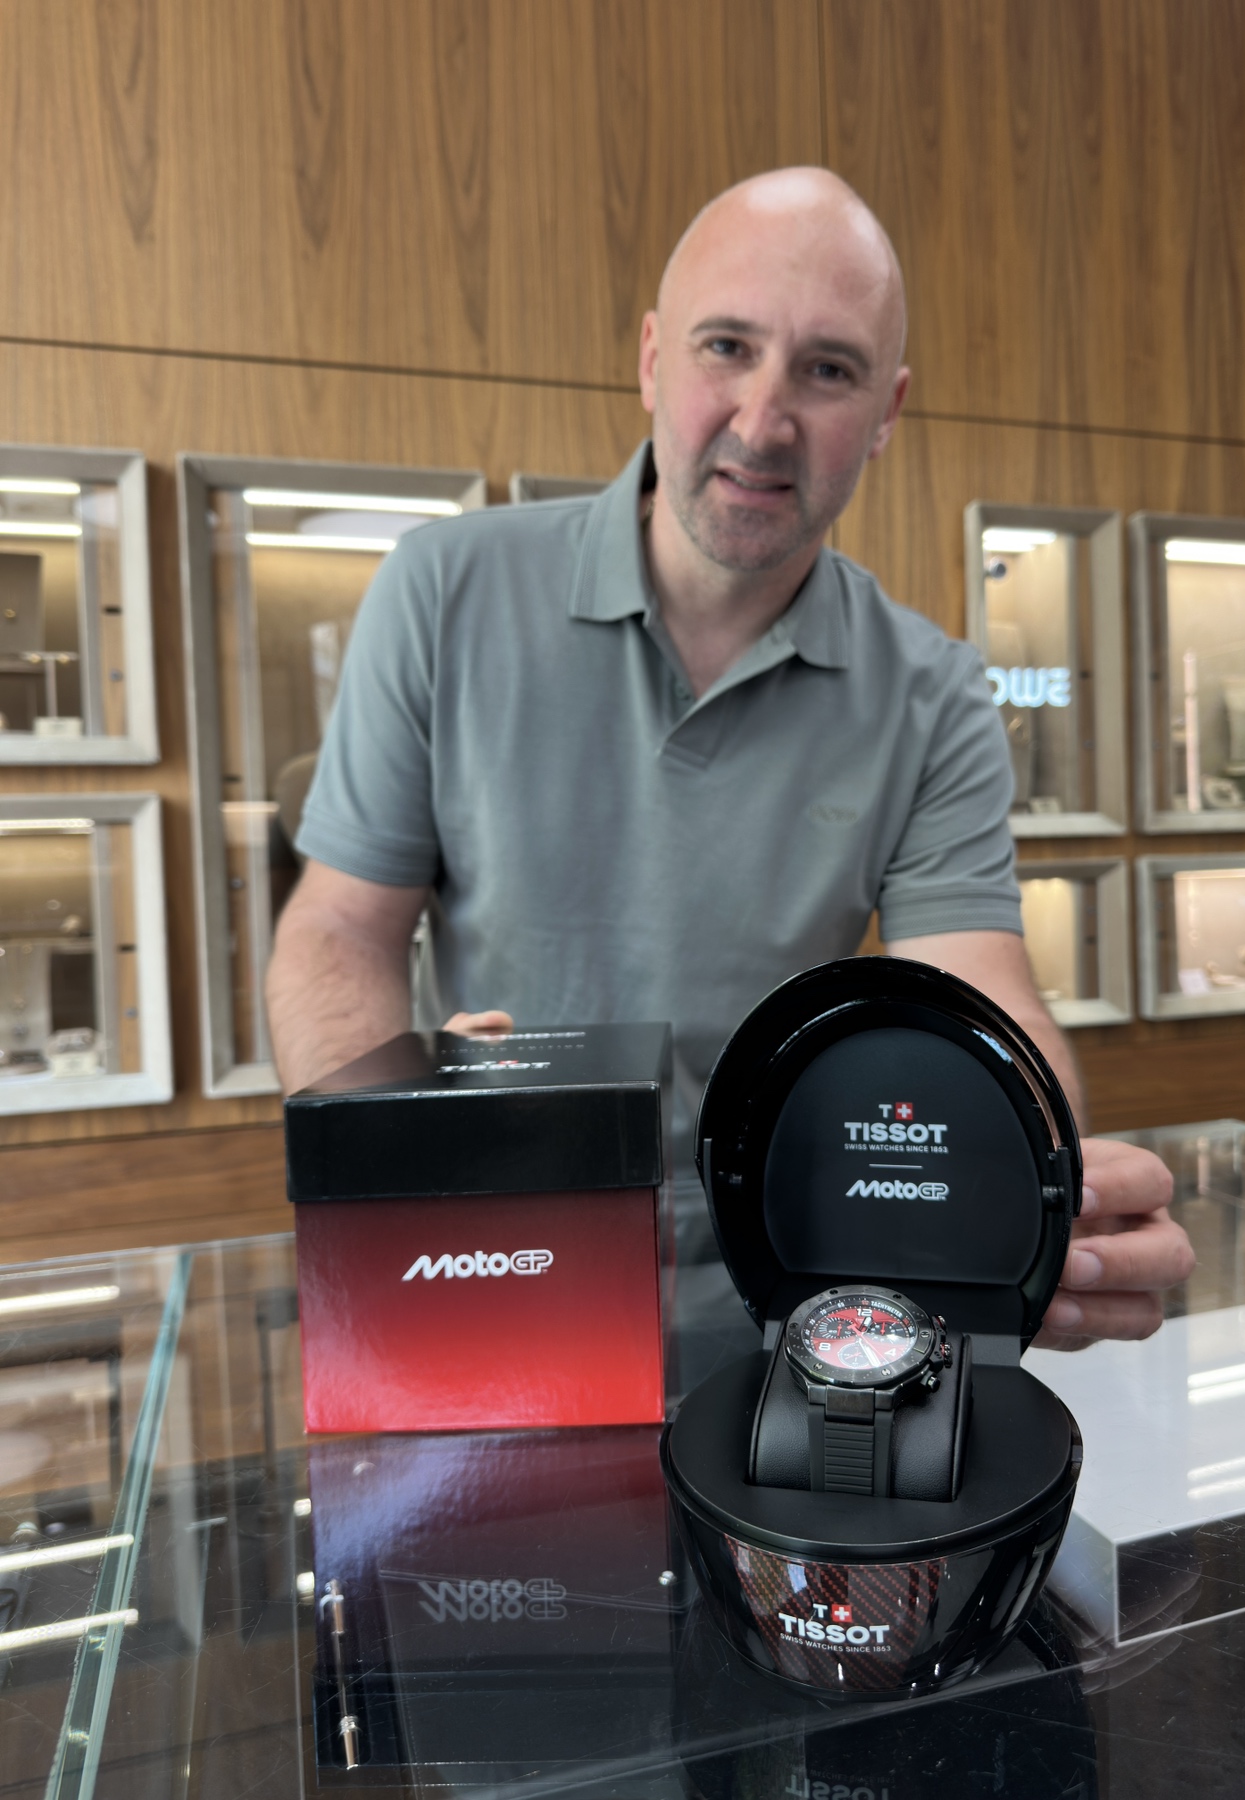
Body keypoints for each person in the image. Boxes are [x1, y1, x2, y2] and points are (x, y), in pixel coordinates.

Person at [266, 167, 1193, 1348]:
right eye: (727, 348)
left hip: (801, 1282)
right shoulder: (443, 592)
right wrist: (393, 1174)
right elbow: (341, 929)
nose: (763, 423)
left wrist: (1037, 1186)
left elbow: (976, 993)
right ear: (653, 358)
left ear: (889, 409)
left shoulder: (933, 688)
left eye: (829, 369)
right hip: (500, 1251)